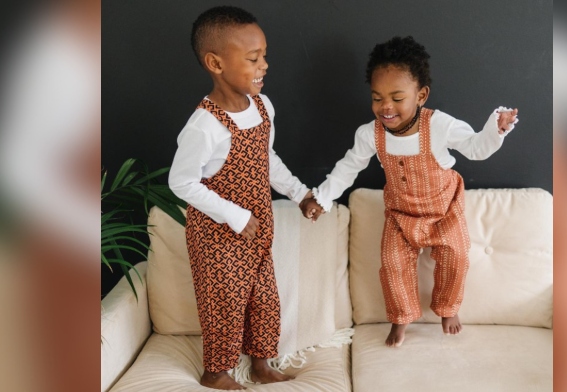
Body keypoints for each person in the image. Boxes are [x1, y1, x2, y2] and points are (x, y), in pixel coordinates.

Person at [300, 36, 518, 348]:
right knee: (391, 263)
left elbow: (475, 148)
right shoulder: (369, 134)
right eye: (377, 98)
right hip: (401, 215)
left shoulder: (439, 126)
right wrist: (321, 197)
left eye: (396, 97)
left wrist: (495, 128)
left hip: (444, 211)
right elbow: (348, 167)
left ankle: (447, 309)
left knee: (456, 256)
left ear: (421, 95)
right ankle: (401, 317)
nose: (385, 107)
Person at [169, 6, 310, 390]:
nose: (264, 65)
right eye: (252, 58)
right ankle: (217, 373)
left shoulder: (264, 107)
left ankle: (263, 364)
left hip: (258, 228)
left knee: (263, 297)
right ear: (215, 62)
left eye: (264, 55)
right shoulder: (205, 125)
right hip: (217, 234)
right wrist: (234, 216)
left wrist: (299, 193)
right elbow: (181, 182)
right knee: (226, 302)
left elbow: (267, 160)